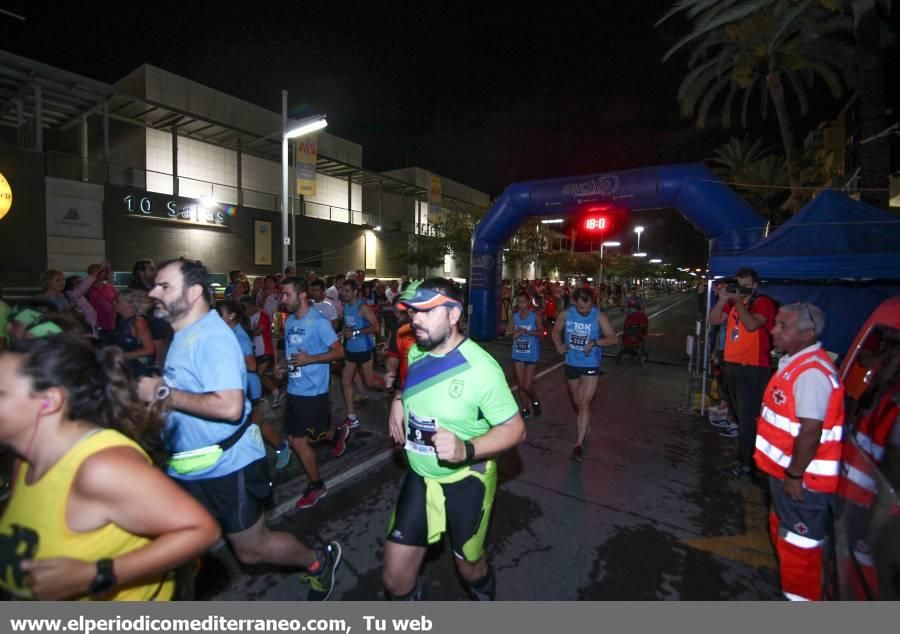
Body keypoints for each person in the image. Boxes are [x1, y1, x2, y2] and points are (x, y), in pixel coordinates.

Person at [138, 258, 341, 600]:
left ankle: (317, 559)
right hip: (188, 465)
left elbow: (230, 407)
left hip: (226, 465)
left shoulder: (212, 337)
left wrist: (162, 393)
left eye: (164, 286)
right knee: (180, 542)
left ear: (195, 292)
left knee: (251, 548)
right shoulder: (185, 334)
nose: (153, 291)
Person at [0, 334, 220, 600]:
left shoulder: (102, 468)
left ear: (50, 401)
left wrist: (94, 575)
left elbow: (201, 530)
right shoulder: (22, 463)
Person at [384, 279, 526, 601]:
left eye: (426, 312)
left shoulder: (482, 369)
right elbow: (411, 384)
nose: (415, 320)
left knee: (469, 568)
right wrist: (397, 400)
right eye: (413, 312)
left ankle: (484, 595)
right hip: (421, 477)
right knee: (395, 580)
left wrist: (467, 449)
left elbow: (516, 428)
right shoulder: (419, 350)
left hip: (466, 481)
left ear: (453, 314)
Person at [753, 303, 843, 601]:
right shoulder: (795, 363)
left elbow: (810, 431)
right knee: (784, 532)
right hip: (781, 474)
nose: (774, 329)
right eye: (777, 323)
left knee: (799, 549)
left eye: (783, 326)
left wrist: (794, 474)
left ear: (807, 333)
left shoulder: (812, 373)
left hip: (803, 482)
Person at [279, 278, 350, 509]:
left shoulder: (318, 322)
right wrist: (280, 366)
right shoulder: (289, 321)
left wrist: (312, 359)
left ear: (301, 295)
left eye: (286, 294)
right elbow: (290, 352)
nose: (283, 299)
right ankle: (336, 434)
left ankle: (317, 485)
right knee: (297, 438)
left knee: (299, 442)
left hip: (313, 392)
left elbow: (338, 352)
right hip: (293, 389)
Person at [709, 268, 777, 478]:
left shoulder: (762, 303)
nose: (742, 290)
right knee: (739, 414)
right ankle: (747, 458)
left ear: (755, 285)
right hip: (733, 365)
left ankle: (747, 463)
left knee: (749, 418)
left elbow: (750, 325)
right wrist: (722, 299)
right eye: (738, 285)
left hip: (753, 368)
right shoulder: (736, 304)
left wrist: (737, 301)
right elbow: (714, 320)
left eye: (746, 286)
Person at [217, 300, 290, 471]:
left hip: (248, 387)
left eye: (219, 315)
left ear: (231, 316)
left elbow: (251, 365)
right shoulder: (229, 332)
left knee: (254, 423)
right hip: (241, 387)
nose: (216, 319)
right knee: (252, 424)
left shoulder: (239, 335)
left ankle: (280, 448)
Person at [551, 287, 619, 462]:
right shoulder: (566, 314)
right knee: (577, 402)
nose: (585, 311)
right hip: (571, 363)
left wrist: (595, 342)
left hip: (590, 363)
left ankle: (578, 445)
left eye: (588, 307)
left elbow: (613, 338)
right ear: (574, 302)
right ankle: (584, 422)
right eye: (582, 308)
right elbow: (555, 331)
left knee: (584, 402)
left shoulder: (598, 316)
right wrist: (558, 344)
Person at [339, 279, 383, 429]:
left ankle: (393, 387)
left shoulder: (363, 307)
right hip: (350, 348)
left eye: (346, 291)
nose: (343, 293)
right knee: (345, 380)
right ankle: (351, 416)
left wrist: (356, 332)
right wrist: (343, 335)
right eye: (342, 290)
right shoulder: (346, 306)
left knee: (369, 382)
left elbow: (376, 326)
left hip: (364, 348)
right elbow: (348, 325)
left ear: (355, 292)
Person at [506, 291, 543, 418]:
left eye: (523, 302)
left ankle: (535, 401)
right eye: (519, 302)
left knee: (527, 385)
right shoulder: (515, 316)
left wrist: (528, 332)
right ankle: (525, 409)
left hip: (531, 354)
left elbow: (541, 333)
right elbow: (507, 333)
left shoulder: (534, 316)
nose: (521, 305)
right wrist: (515, 332)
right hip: (518, 354)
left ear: (528, 302)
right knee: (520, 385)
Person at [113, 289, 157, 378]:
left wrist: (121, 356)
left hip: (140, 371)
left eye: (118, 301)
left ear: (130, 303)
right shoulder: (123, 320)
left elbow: (149, 349)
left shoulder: (138, 321)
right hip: (129, 369)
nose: (114, 303)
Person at [86, 262, 117, 343]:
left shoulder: (110, 288)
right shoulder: (87, 289)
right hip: (95, 326)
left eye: (103, 271)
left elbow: (116, 303)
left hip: (112, 325)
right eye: (100, 271)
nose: (103, 273)